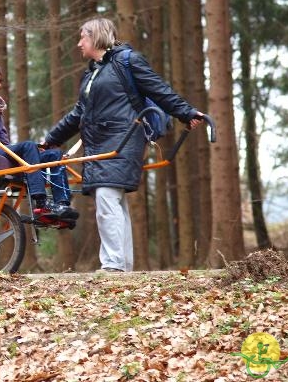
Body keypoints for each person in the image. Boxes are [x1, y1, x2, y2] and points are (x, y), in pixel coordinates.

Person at [43, 16, 204, 272]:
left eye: (82, 37)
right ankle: (122, 266)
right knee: (112, 199)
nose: (78, 43)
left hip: (124, 138)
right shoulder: (92, 74)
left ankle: (114, 266)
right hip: (98, 144)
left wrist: (186, 112)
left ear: (95, 37)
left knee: (107, 196)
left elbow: (158, 89)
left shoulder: (127, 60)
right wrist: (51, 139)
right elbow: (78, 114)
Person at [0, 62, 79, 224]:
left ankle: (62, 206)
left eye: (0, 79)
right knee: (27, 146)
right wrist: (4, 148)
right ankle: (40, 204)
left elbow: (5, 141)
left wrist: (29, 153)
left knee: (53, 154)